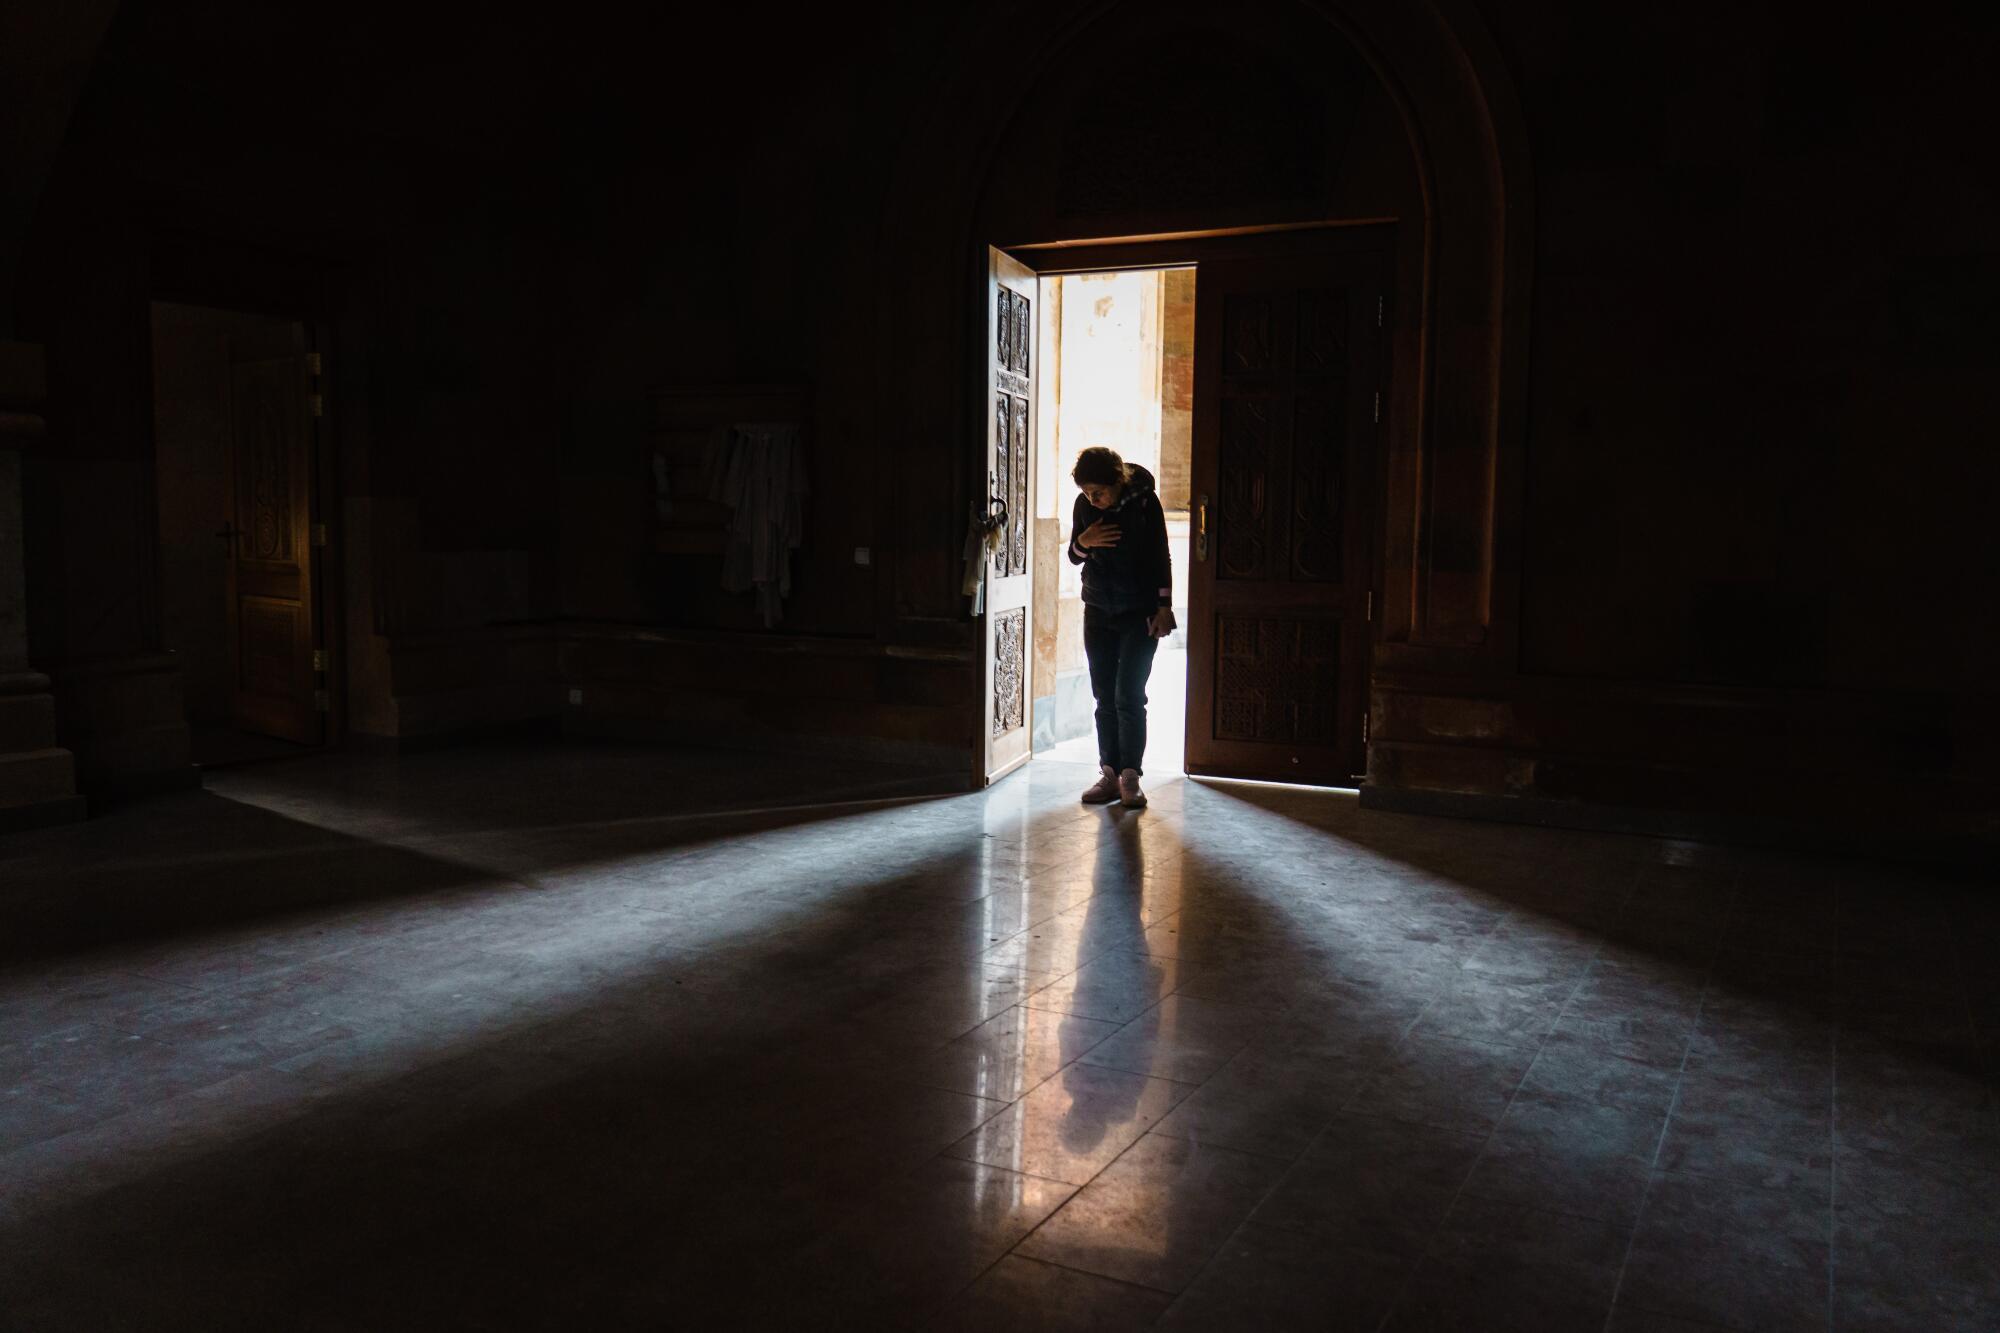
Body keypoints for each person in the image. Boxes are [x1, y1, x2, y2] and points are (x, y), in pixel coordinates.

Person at [1067, 446, 1175, 808]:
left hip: (1138, 612)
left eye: (1098, 492)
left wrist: (1164, 606)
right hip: (1097, 609)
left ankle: (1131, 776)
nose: (1092, 499)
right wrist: (1084, 542)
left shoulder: (1145, 504)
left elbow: (1161, 554)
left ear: (1118, 481)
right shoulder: (1084, 508)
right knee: (1103, 694)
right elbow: (1073, 554)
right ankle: (1109, 773)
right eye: (1086, 493)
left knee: (1129, 694)